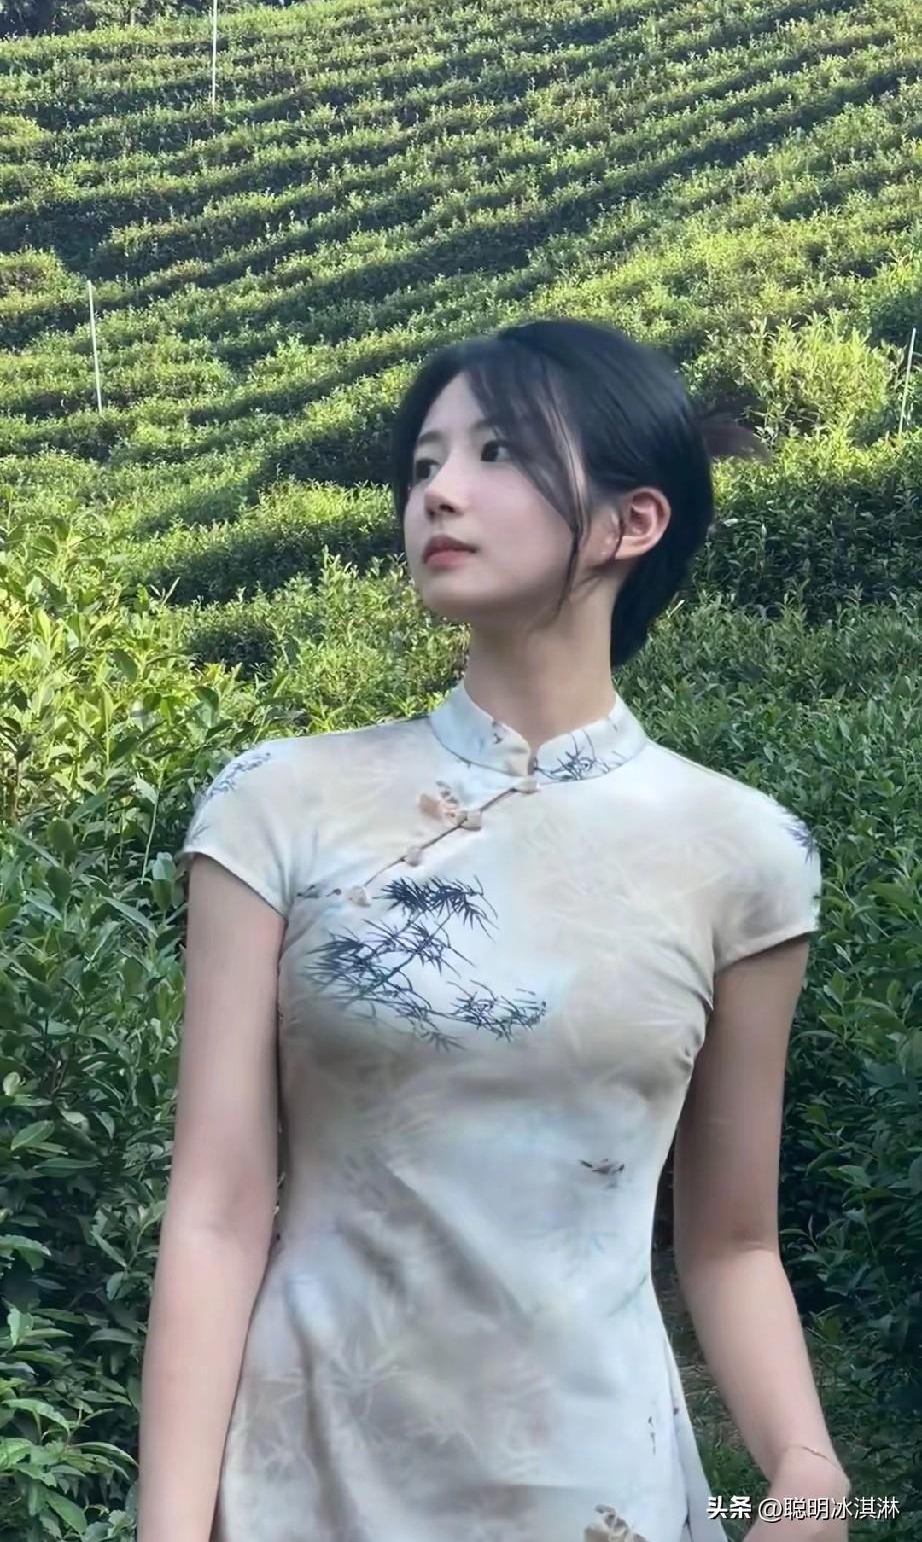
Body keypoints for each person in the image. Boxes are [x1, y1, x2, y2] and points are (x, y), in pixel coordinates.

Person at [138, 316, 853, 1542]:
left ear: (633, 520)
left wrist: (808, 1466)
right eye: (424, 462)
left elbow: (732, 1241)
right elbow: (215, 1207)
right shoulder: (279, 803)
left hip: (598, 1487)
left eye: (498, 453)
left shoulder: (744, 853)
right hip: (308, 1481)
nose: (439, 491)